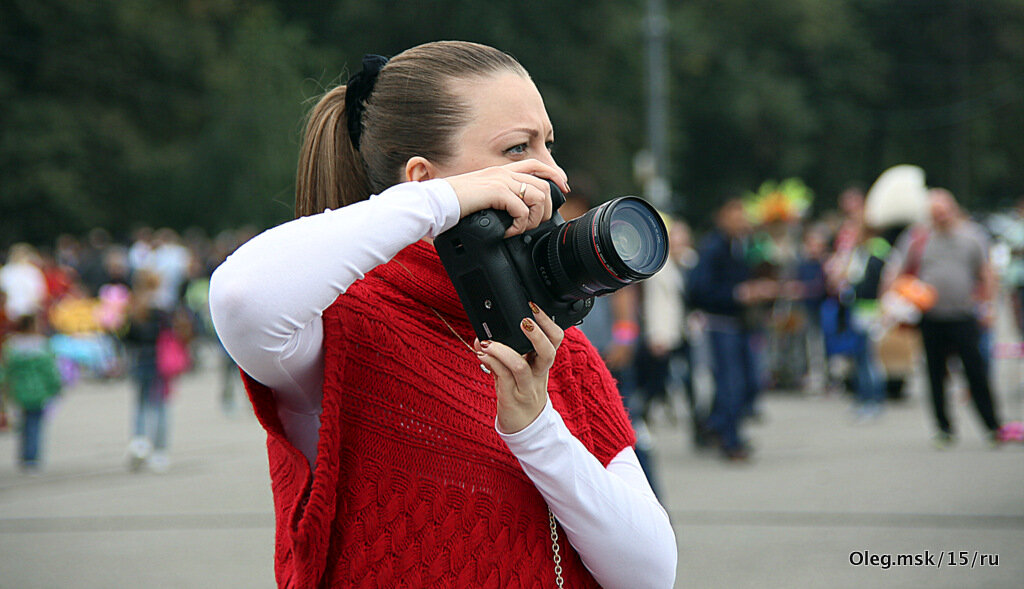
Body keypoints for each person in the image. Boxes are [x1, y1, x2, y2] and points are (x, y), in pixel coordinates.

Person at [209, 41, 676, 588]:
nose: (555, 176)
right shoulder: (341, 324)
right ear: (425, 180)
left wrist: (538, 431)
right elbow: (241, 297)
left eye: (548, 146)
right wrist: (439, 203)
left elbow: (650, 573)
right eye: (517, 148)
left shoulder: (558, 346)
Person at [888, 188, 1003, 447]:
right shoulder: (917, 238)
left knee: (975, 371)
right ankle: (943, 428)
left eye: (943, 212)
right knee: (935, 374)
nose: (940, 217)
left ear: (953, 209)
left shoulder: (972, 237)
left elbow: (986, 272)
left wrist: (988, 305)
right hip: (931, 316)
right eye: (934, 213)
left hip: (963, 314)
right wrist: (898, 301)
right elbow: (897, 272)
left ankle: (992, 425)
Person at [687, 199, 775, 461]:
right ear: (722, 217)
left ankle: (714, 425)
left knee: (749, 381)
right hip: (721, 325)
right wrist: (738, 293)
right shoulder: (712, 247)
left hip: (741, 324)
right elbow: (699, 290)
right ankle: (729, 439)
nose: (741, 220)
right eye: (735, 215)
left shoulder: (743, 245)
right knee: (730, 384)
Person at [0, 314, 63, 471]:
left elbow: (6, 370)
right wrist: (56, 386)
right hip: (38, 389)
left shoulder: (12, 345)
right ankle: (31, 456)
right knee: (35, 422)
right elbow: (50, 370)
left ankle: (25, 453)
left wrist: (5, 386)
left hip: (19, 390)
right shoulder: (42, 345)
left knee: (25, 420)